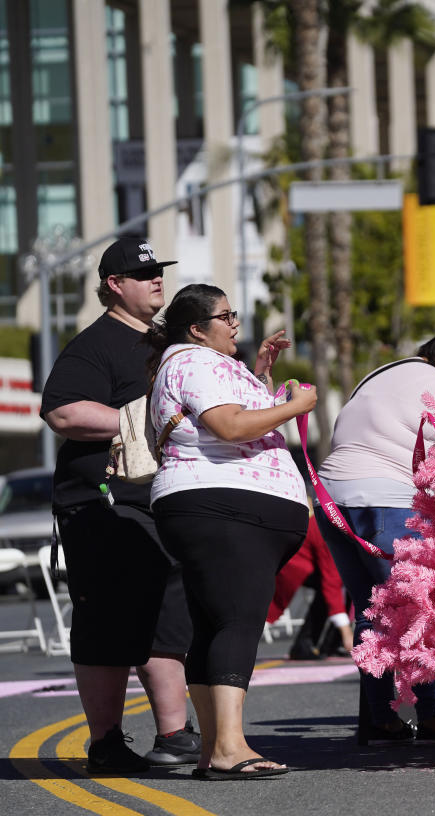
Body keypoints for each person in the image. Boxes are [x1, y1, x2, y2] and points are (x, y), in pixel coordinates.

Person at [39, 235, 199, 774]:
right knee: (108, 623)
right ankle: (105, 744)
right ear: (115, 285)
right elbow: (61, 412)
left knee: (167, 618)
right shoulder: (96, 344)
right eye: (144, 273)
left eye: (160, 271)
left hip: (158, 504)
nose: (158, 279)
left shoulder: (164, 343)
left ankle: (175, 736)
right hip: (100, 505)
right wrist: (143, 422)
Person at [147, 284, 316, 779]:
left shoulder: (202, 363)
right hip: (224, 508)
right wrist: (296, 406)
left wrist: (262, 374)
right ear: (197, 329)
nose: (236, 324)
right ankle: (229, 747)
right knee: (238, 621)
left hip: (217, 506)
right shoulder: (194, 362)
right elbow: (230, 427)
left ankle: (214, 749)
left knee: (213, 624)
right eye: (226, 316)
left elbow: (236, 413)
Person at [315, 329, 435, 746]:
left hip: (332, 497)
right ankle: (430, 717)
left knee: (371, 609)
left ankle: (378, 719)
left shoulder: (383, 372)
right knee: (417, 608)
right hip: (387, 498)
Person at [267, 512, 353, 660]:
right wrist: (347, 633)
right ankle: (304, 645)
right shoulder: (327, 526)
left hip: (316, 567)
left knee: (347, 586)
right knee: (327, 595)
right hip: (296, 568)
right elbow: (331, 583)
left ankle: (331, 644)